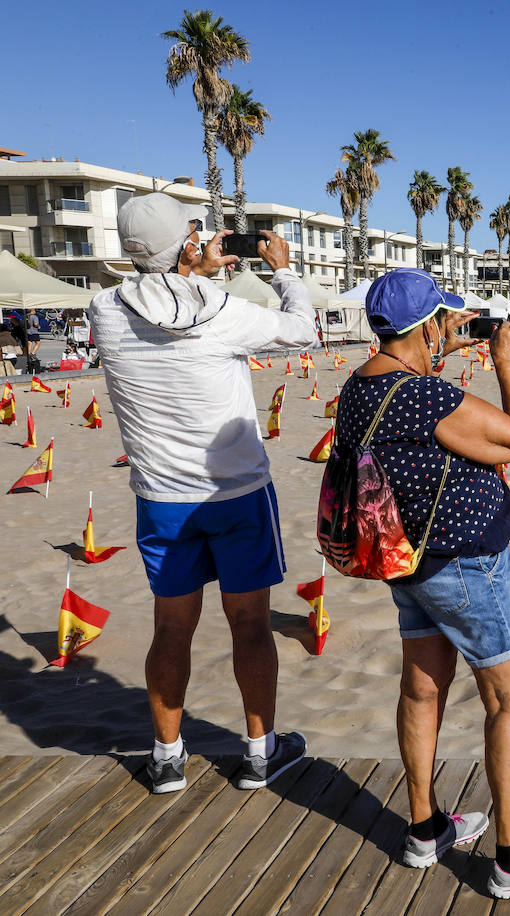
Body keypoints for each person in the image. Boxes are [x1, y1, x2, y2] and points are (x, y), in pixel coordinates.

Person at [334, 269, 510, 897]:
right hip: (461, 562)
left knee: (422, 688)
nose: (454, 327)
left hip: (404, 558)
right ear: (423, 325)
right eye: (447, 319)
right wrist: (508, 362)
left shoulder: (358, 387)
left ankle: (425, 828)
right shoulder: (424, 396)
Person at [88, 192, 317, 794]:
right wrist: (283, 270)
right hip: (235, 491)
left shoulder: (103, 309)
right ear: (187, 243)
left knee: (171, 629)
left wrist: (188, 266)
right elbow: (302, 330)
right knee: (250, 626)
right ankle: (261, 752)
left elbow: (157, 298)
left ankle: (166, 758)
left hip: (161, 497)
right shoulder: (218, 309)